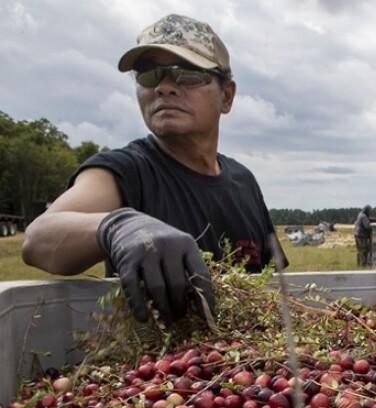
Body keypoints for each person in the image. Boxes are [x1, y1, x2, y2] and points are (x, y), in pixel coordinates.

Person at [21, 14, 286, 324]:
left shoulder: (245, 183)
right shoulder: (125, 171)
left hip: (251, 362)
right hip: (162, 367)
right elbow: (38, 239)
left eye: (186, 74)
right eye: (149, 74)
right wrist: (119, 226)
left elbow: (275, 293)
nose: (164, 88)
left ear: (226, 95)